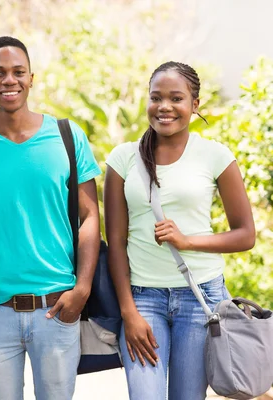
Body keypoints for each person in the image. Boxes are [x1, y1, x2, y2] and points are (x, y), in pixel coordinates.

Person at [0, 36, 102, 399]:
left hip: (57, 306)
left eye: (18, 72)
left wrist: (81, 288)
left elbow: (90, 215)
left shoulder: (67, 136)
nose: (9, 80)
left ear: (31, 78)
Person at [104, 61, 256, 400]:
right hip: (143, 299)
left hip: (201, 299)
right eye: (156, 97)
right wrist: (128, 311)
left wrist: (187, 241)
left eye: (176, 98)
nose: (165, 107)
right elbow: (114, 241)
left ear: (195, 104)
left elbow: (245, 234)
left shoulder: (215, 155)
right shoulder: (123, 159)